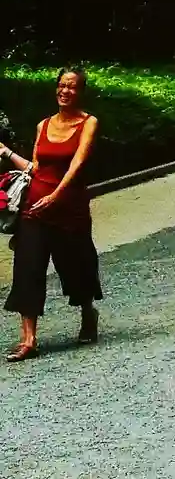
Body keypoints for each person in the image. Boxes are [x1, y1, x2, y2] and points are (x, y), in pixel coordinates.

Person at [3, 67, 102, 362]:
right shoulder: (43, 125)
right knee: (28, 267)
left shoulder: (89, 123)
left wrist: (56, 196)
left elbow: (77, 165)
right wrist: (6, 152)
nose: (65, 90)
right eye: (61, 85)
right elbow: (35, 168)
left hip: (69, 208)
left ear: (80, 91)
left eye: (71, 86)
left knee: (77, 267)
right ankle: (29, 339)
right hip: (35, 209)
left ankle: (88, 311)